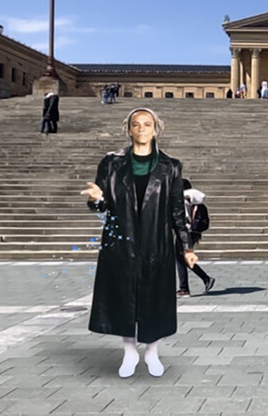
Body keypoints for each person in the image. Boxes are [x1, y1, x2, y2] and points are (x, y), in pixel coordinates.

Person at [80, 107, 198, 379]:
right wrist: (97, 199)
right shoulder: (111, 163)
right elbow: (102, 206)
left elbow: (177, 213)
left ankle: (152, 352)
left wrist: (187, 248)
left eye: (147, 124)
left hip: (157, 245)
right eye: (136, 124)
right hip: (121, 244)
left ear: (156, 128)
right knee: (124, 299)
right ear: (128, 129)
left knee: (155, 301)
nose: (142, 129)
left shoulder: (171, 166)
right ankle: (129, 352)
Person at [176, 178, 216, 297]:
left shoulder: (183, 199)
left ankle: (203, 280)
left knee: (182, 258)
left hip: (186, 232)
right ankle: (185, 287)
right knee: (181, 258)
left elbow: (182, 217)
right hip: (194, 232)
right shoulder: (193, 199)